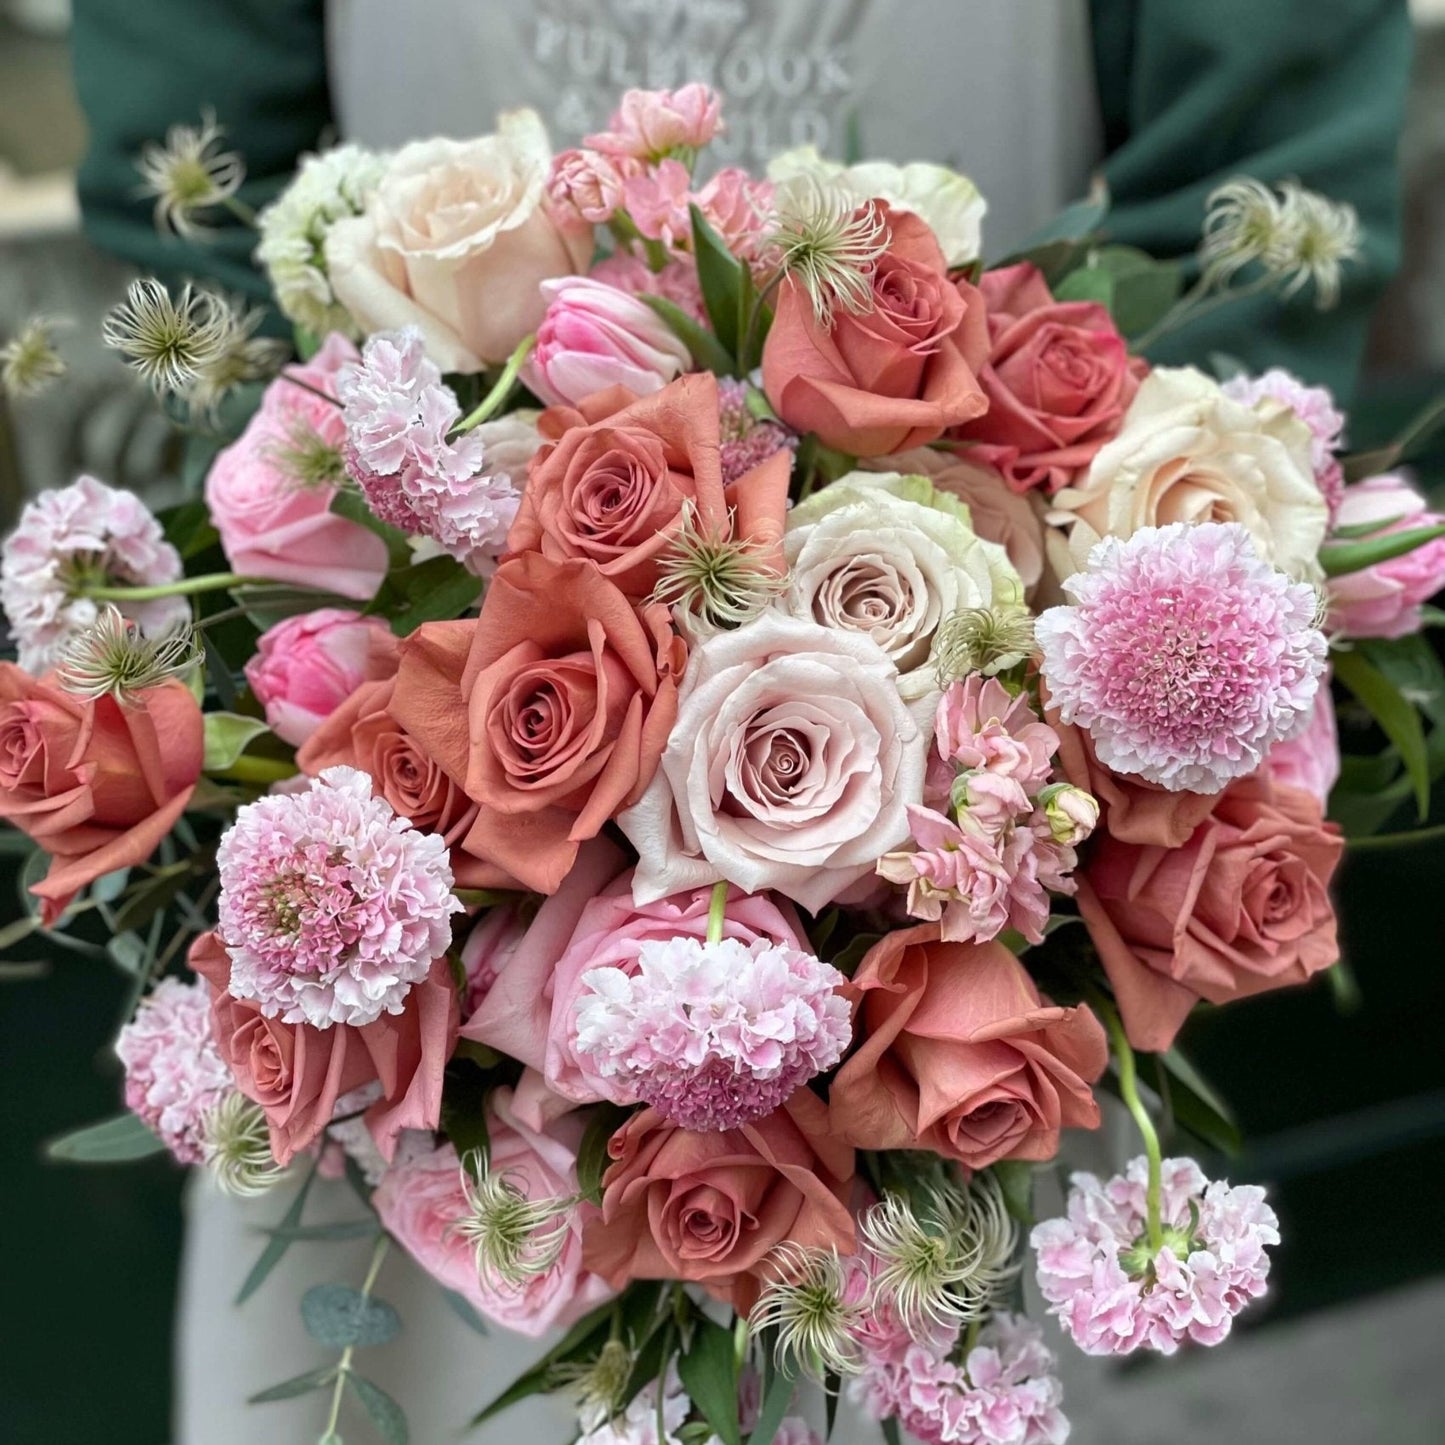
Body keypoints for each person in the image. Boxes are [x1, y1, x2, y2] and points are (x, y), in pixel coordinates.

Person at [59, 2, 1415, 1442]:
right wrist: (400, 607)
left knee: (901, 1320)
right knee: (407, 1313)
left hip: (999, 672)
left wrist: (1040, 645)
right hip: (410, 728)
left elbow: (1271, 167)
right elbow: (191, 180)